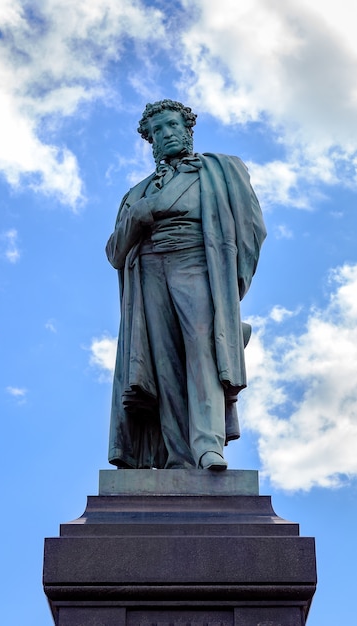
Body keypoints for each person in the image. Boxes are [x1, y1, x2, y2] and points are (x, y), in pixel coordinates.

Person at [106, 99, 266, 471]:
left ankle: (208, 446)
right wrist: (141, 215)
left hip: (198, 262)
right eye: (157, 130)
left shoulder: (222, 169)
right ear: (150, 141)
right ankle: (179, 458)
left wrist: (230, 289)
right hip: (148, 270)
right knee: (164, 366)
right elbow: (115, 252)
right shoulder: (136, 194)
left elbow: (252, 230)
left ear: (188, 129)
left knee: (203, 354)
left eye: (172, 125)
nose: (166, 134)